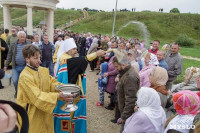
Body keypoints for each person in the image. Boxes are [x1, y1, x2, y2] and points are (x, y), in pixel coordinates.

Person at [54, 38, 106, 133]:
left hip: (71, 87)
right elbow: (79, 61)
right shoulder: (65, 59)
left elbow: (78, 62)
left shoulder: (67, 58)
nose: (76, 51)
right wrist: (96, 54)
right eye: (73, 49)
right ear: (68, 50)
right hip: (67, 91)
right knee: (67, 113)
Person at [16, 44, 70, 133]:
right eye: (35, 58)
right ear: (27, 59)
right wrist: (57, 96)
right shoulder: (25, 76)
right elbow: (36, 96)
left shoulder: (42, 70)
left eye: (39, 57)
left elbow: (52, 83)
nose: (39, 61)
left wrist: (64, 88)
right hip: (31, 114)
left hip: (45, 112)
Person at [112, 49, 140, 133]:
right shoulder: (125, 72)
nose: (116, 69)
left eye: (117, 66)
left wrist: (124, 116)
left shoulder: (130, 76)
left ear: (123, 65)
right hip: (125, 111)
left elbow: (131, 99)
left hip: (128, 114)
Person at [4, 31, 27, 98]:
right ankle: (17, 92)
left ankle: (24, 93)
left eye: (24, 37)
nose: (23, 38)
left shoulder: (28, 44)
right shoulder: (13, 44)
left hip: (25, 67)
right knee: (15, 81)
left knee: (24, 81)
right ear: (18, 37)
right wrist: (6, 65)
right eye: (21, 37)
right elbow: (9, 55)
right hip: (15, 67)